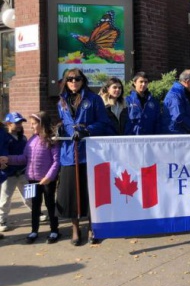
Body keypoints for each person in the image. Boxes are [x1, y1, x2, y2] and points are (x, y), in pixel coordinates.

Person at [56, 68, 113, 246]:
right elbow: (65, 122)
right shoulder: (62, 101)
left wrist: (86, 130)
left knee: (90, 192)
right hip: (69, 153)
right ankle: (75, 228)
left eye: (77, 79)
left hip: (89, 153)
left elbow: (103, 123)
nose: (74, 82)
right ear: (66, 81)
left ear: (83, 80)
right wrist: (60, 128)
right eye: (70, 79)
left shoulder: (93, 99)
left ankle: (91, 226)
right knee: (71, 193)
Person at [0, 112, 60, 244]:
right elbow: (24, 158)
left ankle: (54, 230)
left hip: (46, 181)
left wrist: (49, 177)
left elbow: (56, 161)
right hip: (31, 180)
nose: (31, 127)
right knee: (35, 206)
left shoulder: (52, 140)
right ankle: (34, 231)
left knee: (50, 205)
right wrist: (8, 159)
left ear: (42, 124)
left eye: (34, 124)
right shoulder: (31, 140)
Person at [0, 112, 31, 232]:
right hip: (9, 174)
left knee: (30, 195)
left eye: (20, 122)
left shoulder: (23, 138)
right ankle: (2, 220)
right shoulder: (4, 138)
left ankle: (36, 213)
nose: (19, 125)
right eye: (16, 122)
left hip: (23, 172)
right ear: (8, 124)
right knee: (5, 198)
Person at [162, 69, 190, 134]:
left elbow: (187, 111)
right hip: (175, 134)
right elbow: (179, 117)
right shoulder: (175, 95)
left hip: (179, 132)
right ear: (187, 81)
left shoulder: (181, 93)